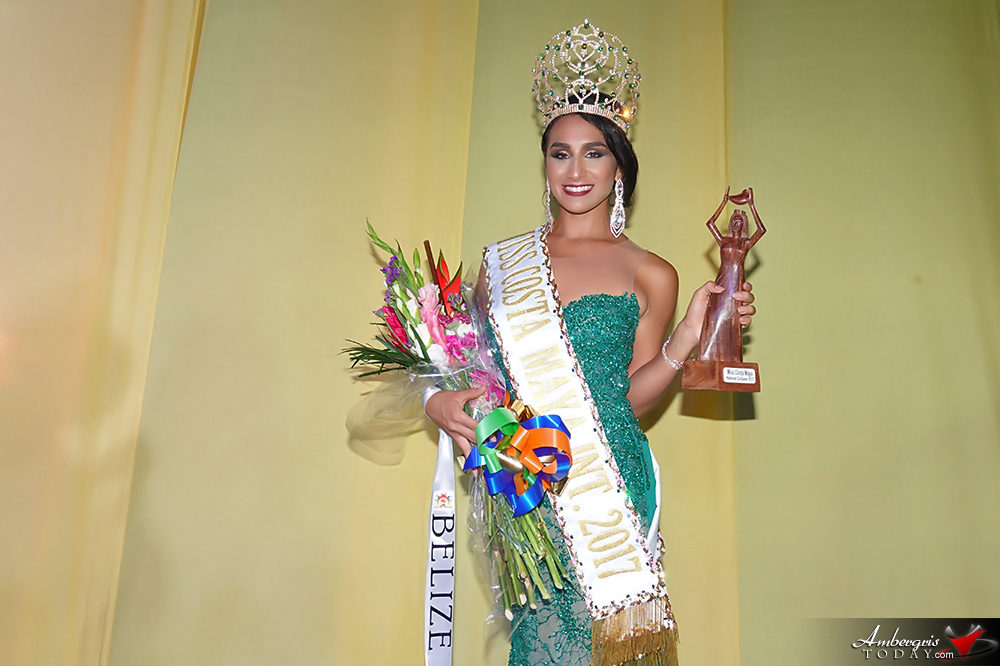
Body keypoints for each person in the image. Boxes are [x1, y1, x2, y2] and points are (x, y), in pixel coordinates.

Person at [424, 21, 756, 666]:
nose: (576, 170)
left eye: (594, 152)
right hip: (526, 485)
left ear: (620, 164)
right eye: (560, 152)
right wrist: (437, 405)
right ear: (544, 164)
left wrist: (689, 334)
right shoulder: (500, 265)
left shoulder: (652, 272)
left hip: (611, 486)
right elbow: (466, 371)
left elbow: (628, 398)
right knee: (544, 644)